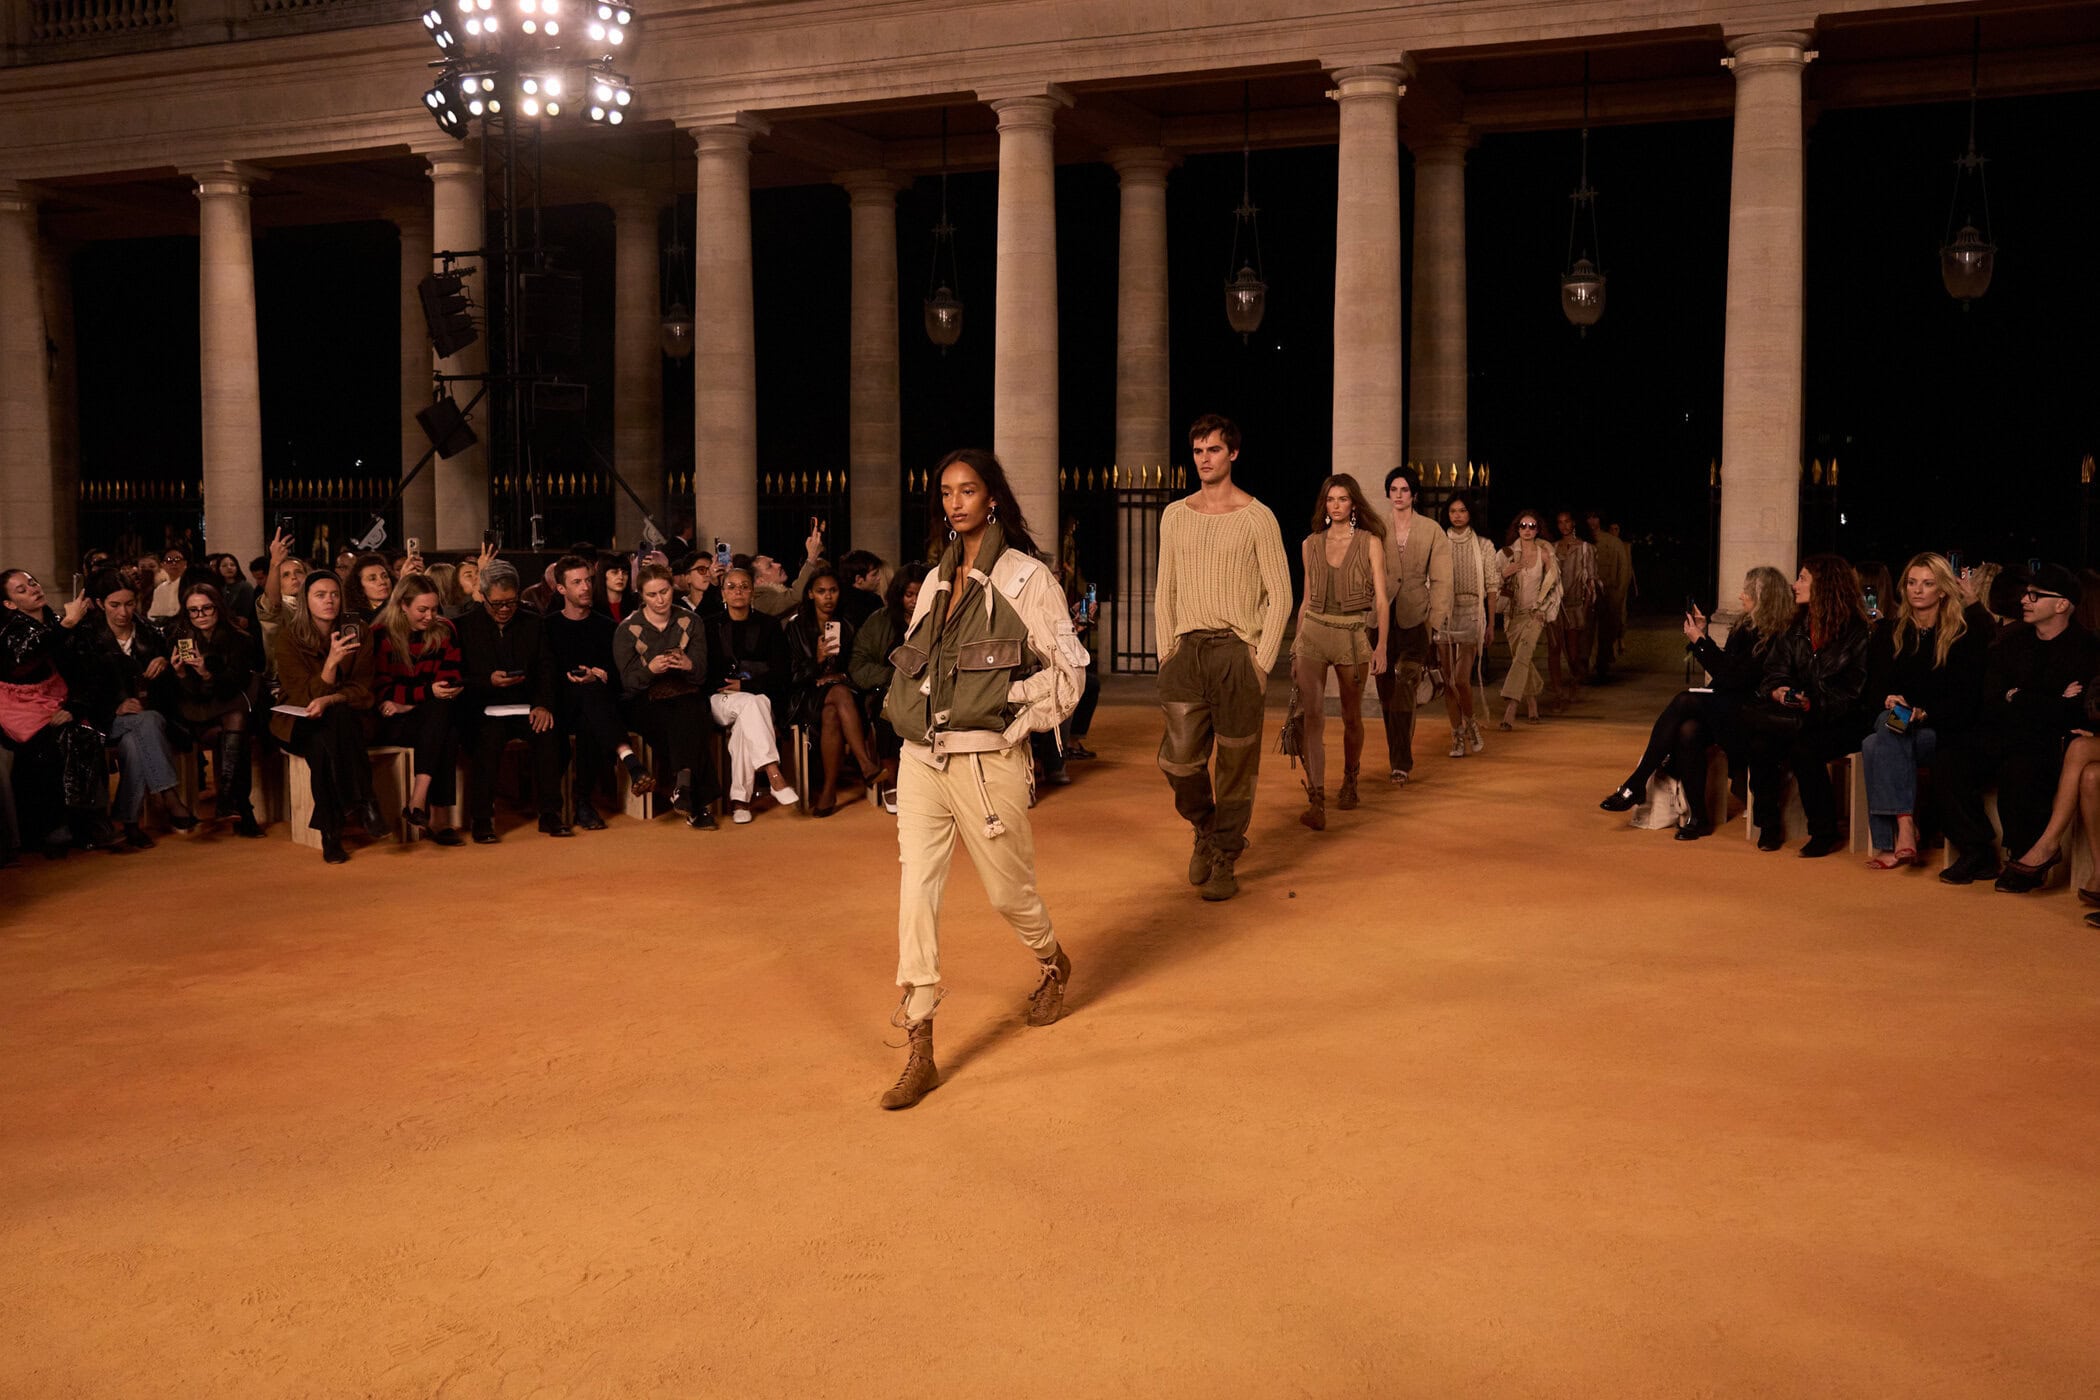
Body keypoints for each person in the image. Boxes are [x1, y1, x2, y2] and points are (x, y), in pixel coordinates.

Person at [875, 446, 1087, 1110]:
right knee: (917, 890)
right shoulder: (936, 578)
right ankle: (920, 1044)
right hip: (922, 760)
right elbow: (917, 662)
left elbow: (1069, 672)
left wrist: (1013, 712)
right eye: (945, 492)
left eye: (967, 491)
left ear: (991, 497)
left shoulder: (1028, 579)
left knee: (1007, 892)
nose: (955, 502)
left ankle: (1052, 959)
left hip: (986, 760)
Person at [1154, 413, 1293, 902]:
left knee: (1236, 763)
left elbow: (1281, 593)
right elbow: (1163, 588)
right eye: (1197, 451)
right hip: (1185, 653)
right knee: (1179, 761)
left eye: (1213, 449)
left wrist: (1261, 661)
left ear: (1233, 453)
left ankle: (1224, 857)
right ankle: (1206, 827)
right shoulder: (1175, 515)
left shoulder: (1258, 516)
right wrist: (1165, 651)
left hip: (1237, 652)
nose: (1204, 459)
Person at [1600, 566, 1794, 840]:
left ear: (1764, 597)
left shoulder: (1776, 635)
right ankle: (1698, 817)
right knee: (1687, 730)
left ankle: (1637, 781)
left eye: (1747, 592)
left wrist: (1701, 642)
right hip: (1728, 704)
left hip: (1750, 713)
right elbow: (1727, 671)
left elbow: (1735, 677)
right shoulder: (1745, 626)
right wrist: (1703, 637)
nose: (1740, 596)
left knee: (1684, 700)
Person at [1939, 564, 2100, 886]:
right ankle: (1975, 849)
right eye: (2027, 593)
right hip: (2003, 730)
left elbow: (2075, 713)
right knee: (1949, 755)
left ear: (2062, 604)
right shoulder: (2010, 641)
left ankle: (2024, 855)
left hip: (2048, 741)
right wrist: (2046, 699)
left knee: (2024, 764)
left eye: (2035, 595)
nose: (2025, 600)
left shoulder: (2088, 649)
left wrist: (2020, 696)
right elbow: (1993, 698)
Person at [1857, 553, 1987, 869]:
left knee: (1874, 743)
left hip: (1938, 729)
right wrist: (1888, 700)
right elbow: (1872, 689)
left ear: (1942, 590)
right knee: (1888, 726)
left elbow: (1965, 698)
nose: (1917, 590)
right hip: (1897, 722)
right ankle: (1904, 826)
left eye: (1928, 584)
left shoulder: (1961, 633)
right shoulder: (1889, 631)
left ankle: (1893, 839)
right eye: (1912, 582)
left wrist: (1923, 713)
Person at [1744, 554, 1872, 857]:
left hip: (1842, 719)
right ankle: (1768, 825)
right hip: (1797, 715)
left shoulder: (1857, 632)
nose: (1794, 584)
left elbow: (1855, 693)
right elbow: (1772, 673)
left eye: (1802, 578)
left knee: (1805, 748)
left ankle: (1823, 831)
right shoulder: (1795, 626)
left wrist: (1813, 703)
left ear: (1825, 586)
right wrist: (1778, 691)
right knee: (1760, 741)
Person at [1289, 475, 1388, 830]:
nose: (1336, 505)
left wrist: (1381, 646)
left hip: (1351, 634)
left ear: (1353, 504)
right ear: (1324, 504)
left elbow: (1380, 599)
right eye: (1330, 498)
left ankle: (1350, 779)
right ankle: (1316, 798)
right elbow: (1305, 600)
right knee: (1312, 715)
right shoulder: (1309, 544)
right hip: (1314, 632)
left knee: (1351, 717)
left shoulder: (1370, 542)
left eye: (1343, 499)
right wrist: (1295, 646)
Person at [0, 569, 119, 855]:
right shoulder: (9, 629)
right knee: (47, 747)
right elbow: (23, 658)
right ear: (9, 604)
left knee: (84, 733)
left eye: (32, 582)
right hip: (18, 707)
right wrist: (68, 623)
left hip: (58, 698)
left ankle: (86, 821)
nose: (32, 589)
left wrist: (74, 707)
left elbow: (86, 670)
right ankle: (53, 827)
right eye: (21, 589)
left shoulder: (56, 620)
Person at [70, 569, 191, 848]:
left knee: (135, 742)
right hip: (103, 719)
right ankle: (170, 797)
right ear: (100, 604)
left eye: (129, 603)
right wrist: (115, 707)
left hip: (151, 717)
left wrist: (164, 663)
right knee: (145, 723)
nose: (123, 612)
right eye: (115, 605)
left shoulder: (150, 633)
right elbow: (80, 687)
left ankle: (130, 822)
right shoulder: (86, 637)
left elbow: (171, 690)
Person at [270, 570, 383, 864]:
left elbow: (362, 687)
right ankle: (365, 800)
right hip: (299, 720)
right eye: (320, 595)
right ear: (306, 601)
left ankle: (331, 834)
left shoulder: (358, 629)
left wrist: (331, 697)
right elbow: (301, 695)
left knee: (328, 738)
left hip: (349, 718)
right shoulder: (289, 637)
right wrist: (331, 664)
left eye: (334, 594)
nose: (329, 601)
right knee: (324, 735)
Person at [457, 561, 568, 842]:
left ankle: (550, 813)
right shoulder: (464, 626)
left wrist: (543, 704)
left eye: (511, 602)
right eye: (497, 604)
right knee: (488, 738)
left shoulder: (533, 621)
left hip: (525, 705)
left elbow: (546, 668)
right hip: (483, 708)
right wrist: (487, 681)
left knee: (549, 731)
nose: (505, 609)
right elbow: (457, 678)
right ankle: (482, 819)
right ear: (482, 596)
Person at [545, 555, 653, 829]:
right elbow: (542, 674)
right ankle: (627, 763)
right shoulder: (548, 626)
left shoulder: (607, 627)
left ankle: (583, 803)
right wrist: (567, 677)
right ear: (561, 589)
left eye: (588, 581)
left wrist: (601, 675)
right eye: (577, 582)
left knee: (589, 709)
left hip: (596, 708)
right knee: (588, 699)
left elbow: (621, 676)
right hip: (560, 707)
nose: (585, 587)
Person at [613, 562, 721, 829]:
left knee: (688, 709)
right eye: (652, 595)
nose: (660, 599)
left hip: (684, 694)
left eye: (664, 592)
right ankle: (695, 800)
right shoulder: (627, 629)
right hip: (644, 701)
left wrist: (688, 665)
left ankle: (683, 785)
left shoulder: (690, 621)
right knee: (688, 719)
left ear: (672, 589)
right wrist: (650, 669)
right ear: (642, 596)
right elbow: (628, 683)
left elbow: (701, 676)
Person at [368, 573, 467, 847]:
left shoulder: (445, 629)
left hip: (427, 714)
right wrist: (422, 694)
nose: (430, 616)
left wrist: (409, 701)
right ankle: (438, 819)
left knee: (444, 713)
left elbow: (448, 680)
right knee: (445, 724)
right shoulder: (380, 634)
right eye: (422, 610)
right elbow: (379, 690)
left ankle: (417, 801)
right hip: (391, 721)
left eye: (434, 609)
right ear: (402, 605)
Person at [784, 565, 890, 816]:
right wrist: (817, 662)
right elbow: (790, 676)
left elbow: (856, 667)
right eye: (821, 591)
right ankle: (866, 766)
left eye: (833, 590)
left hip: (842, 698)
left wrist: (840, 675)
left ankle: (829, 791)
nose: (828, 596)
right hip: (806, 696)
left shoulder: (849, 626)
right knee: (837, 694)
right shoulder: (796, 627)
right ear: (810, 594)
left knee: (835, 704)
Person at [1369, 465, 1450, 786]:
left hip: (1416, 620)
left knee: (1405, 686)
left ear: (1414, 494)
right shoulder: (1377, 527)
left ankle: (1401, 761)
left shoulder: (1431, 530)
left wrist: (1436, 622)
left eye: (1404, 490)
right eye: (1394, 490)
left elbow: (1443, 579)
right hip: (1380, 621)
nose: (1399, 496)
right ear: (1388, 494)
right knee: (1387, 693)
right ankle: (1397, 755)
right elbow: (1364, 571)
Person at [702, 566, 800, 823]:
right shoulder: (709, 625)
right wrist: (737, 686)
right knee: (752, 705)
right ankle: (772, 772)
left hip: (758, 698)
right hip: (719, 699)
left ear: (753, 592)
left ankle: (740, 802)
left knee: (748, 715)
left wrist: (745, 687)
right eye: (732, 586)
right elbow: (704, 672)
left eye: (744, 586)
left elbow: (781, 673)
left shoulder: (769, 626)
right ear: (722, 593)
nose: (738, 591)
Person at [166, 580, 264, 838]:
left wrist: (206, 673)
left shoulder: (240, 640)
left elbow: (234, 687)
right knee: (235, 726)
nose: (201, 616)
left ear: (218, 608)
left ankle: (230, 800)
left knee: (234, 723)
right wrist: (181, 674)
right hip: (195, 715)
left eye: (206, 609)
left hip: (230, 706)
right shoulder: (179, 637)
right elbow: (182, 697)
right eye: (194, 611)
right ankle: (238, 805)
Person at [850, 562, 931, 812]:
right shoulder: (880, 621)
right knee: (889, 712)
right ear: (899, 595)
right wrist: (892, 677)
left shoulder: (939, 620)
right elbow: (858, 665)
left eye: (921, 594)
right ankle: (892, 780)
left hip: (930, 688)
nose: (915, 601)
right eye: (909, 595)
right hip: (887, 688)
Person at [1438, 495, 1499, 758]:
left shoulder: (1484, 545)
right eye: (1453, 511)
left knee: (1461, 678)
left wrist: (1491, 624)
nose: (1457, 515)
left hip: (1472, 613)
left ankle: (1471, 722)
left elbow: (1492, 587)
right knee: (1447, 680)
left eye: (1462, 510)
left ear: (1470, 513)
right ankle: (1457, 735)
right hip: (1444, 614)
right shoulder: (1440, 542)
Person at [1496, 511, 1563, 730]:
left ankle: (1511, 709)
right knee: (1521, 659)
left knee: (1523, 656)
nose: (1527, 529)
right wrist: (1504, 574)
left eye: (1532, 526)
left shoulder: (1545, 554)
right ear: (1517, 528)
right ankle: (1532, 703)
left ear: (1537, 529)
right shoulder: (1505, 554)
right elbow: (1489, 583)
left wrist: (1543, 609)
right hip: (1512, 616)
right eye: (1523, 525)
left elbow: (1554, 585)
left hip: (1535, 615)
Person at [1548, 510, 1598, 708]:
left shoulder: (1585, 548)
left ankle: (1574, 684)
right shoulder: (1552, 548)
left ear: (1573, 523)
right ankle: (1558, 691)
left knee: (1573, 652)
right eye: (1560, 522)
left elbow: (1591, 582)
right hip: (1555, 606)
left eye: (1567, 521)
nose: (1564, 526)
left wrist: (1585, 610)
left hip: (1575, 605)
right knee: (1554, 649)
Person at [1588, 509, 1633, 681]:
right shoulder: (1584, 542)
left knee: (1607, 631)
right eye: (1589, 517)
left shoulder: (1613, 542)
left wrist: (1620, 594)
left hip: (1610, 592)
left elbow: (1624, 570)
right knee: (1587, 632)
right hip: (1589, 594)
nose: (1592, 521)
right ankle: (1587, 664)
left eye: (1595, 517)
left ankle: (1602, 663)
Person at [750, 518, 826, 618]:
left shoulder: (779, 593)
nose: (778, 565)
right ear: (760, 580)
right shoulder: (759, 600)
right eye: (769, 566)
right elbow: (796, 596)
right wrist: (811, 557)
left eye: (774, 562)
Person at [837, 548, 886, 627]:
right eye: (874, 574)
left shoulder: (836, 599)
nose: (879, 578)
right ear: (859, 579)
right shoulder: (873, 602)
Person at [348, 552, 394, 625]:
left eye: (385, 576)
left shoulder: (403, 608)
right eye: (372, 579)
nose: (382, 582)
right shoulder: (355, 616)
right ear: (360, 587)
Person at [146, 545, 188, 622]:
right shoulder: (160, 589)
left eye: (177, 559)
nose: (173, 563)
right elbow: (152, 614)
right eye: (169, 560)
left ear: (185, 563)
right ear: (162, 565)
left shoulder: (190, 585)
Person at [592, 552, 633, 622]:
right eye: (615, 572)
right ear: (603, 575)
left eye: (625, 573)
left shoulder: (635, 603)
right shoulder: (593, 606)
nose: (621, 577)